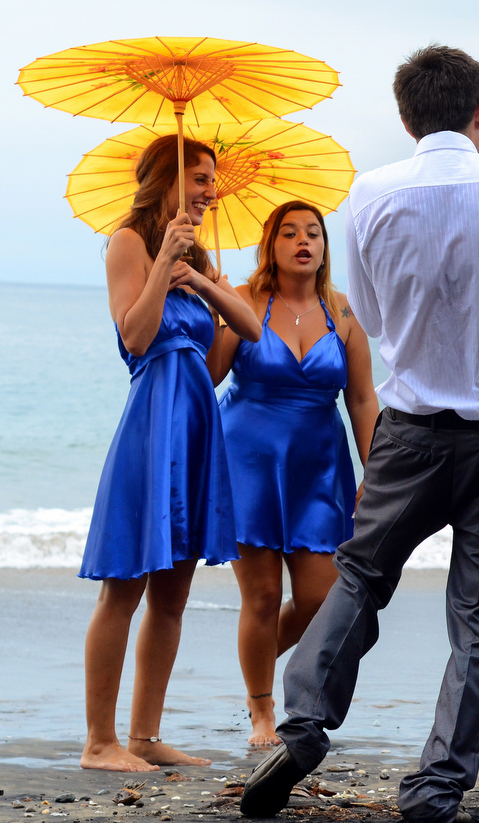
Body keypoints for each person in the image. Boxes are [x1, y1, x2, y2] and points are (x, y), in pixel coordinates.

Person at [239, 45, 479, 823]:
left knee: (361, 577)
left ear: (405, 117)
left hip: (413, 431)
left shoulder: (369, 194)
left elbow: (377, 317)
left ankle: (301, 724)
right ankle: (434, 788)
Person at [79, 135, 262, 772]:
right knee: (124, 586)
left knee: (173, 596)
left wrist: (204, 284)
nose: (212, 191)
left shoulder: (199, 258)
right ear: (167, 177)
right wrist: (164, 267)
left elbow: (243, 338)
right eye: (202, 178)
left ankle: (145, 734)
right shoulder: (128, 241)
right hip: (152, 420)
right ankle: (99, 741)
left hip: (196, 421)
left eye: (213, 180)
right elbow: (135, 335)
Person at [211, 200, 379, 748]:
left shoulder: (344, 312)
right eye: (289, 233)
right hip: (249, 463)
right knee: (259, 597)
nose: (303, 241)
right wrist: (214, 300)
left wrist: (374, 470)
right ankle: (263, 712)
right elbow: (210, 376)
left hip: (318, 469)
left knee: (320, 605)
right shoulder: (244, 301)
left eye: (313, 232)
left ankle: (255, 665)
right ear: (271, 247)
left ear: (325, 246)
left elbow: (360, 399)